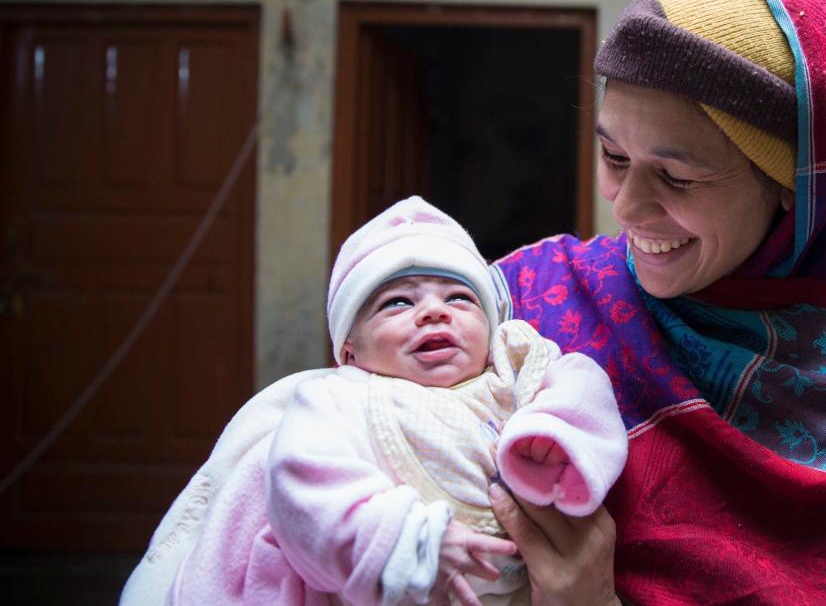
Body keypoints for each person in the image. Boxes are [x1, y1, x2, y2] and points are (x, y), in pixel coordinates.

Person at [486, 0, 826, 605]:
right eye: (613, 156)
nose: (626, 206)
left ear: (792, 193)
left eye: (676, 177)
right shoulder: (524, 304)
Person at [155, 196, 628, 606]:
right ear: (349, 352)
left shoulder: (512, 368)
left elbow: (584, 387)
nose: (434, 310)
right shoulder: (339, 398)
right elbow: (302, 483)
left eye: (460, 298)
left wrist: (554, 436)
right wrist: (403, 540)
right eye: (398, 303)